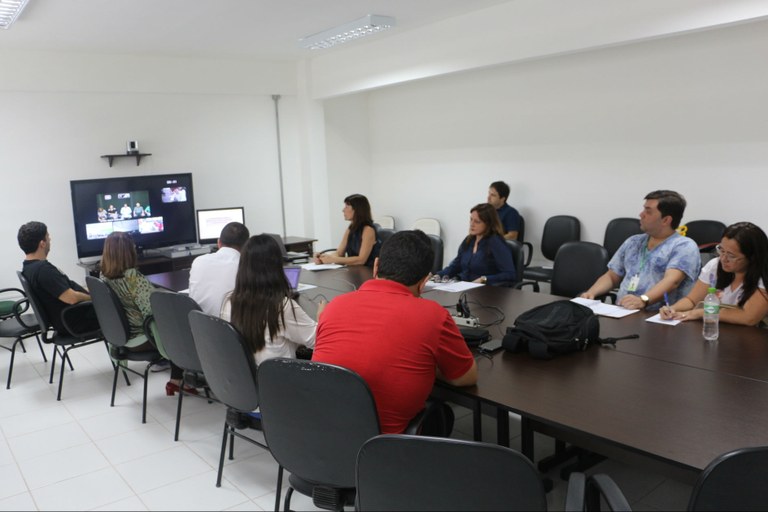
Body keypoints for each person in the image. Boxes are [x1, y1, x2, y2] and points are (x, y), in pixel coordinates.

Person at [312, 230, 477, 434]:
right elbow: (465, 377)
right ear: (424, 282)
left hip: (323, 436)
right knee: (441, 412)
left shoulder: (334, 306)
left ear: (376, 266)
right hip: (383, 449)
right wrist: (423, 364)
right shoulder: (434, 315)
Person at [581, 190, 701, 310]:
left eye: (648, 211)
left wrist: (644, 300)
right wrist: (591, 293)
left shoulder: (684, 246)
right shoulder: (633, 242)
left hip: (660, 317)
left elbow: (672, 281)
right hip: (623, 311)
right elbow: (612, 276)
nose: (641, 214)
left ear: (666, 220)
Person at [221, 235, 323, 365]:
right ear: (276, 267)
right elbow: (320, 342)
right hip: (280, 381)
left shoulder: (229, 301)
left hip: (247, 381)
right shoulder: (282, 307)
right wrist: (321, 317)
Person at [660, 222, 768, 326]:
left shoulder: (763, 275)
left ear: (752, 257)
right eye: (721, 250)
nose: (723, 258)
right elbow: (692, 300)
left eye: (731, 255)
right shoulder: (715, 266)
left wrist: (700, 313)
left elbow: (749, 317)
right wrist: (673, 309)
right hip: (717, 330)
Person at [18, 221, 99, 335]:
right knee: (121, 308)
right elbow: (72, 298)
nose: (50, 240)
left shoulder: (28, 267)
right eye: (48, 236)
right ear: (42, 244)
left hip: (67, 321)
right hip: (76, 323)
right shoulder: (43, 270)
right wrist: (95, 298)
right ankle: (124, 350)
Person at [434, 203, 516, 285]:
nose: (472, 224)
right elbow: (455, 266)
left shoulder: (495, 242)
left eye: (477, 221)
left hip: (486, 291)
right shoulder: (469, 240)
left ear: (488, 224)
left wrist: (484, 279)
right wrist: (437, 275)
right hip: (464, 286)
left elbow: (510, 274)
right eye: (471, 219)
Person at [188, 222, 249, 316]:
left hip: (199, 326)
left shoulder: (198, 261)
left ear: (219, 242)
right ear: (246, 246)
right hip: (228, 328)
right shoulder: (245, 267)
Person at [313, 193, 381, 267]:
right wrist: (323, 258)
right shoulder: (351, 228)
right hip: (353, 270)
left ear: (357, 210)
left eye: (347, 206)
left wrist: (333, 259)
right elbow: (339, 253)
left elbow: (361, 260)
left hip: (367, 271)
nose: (343, 210)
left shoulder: (368, 230)